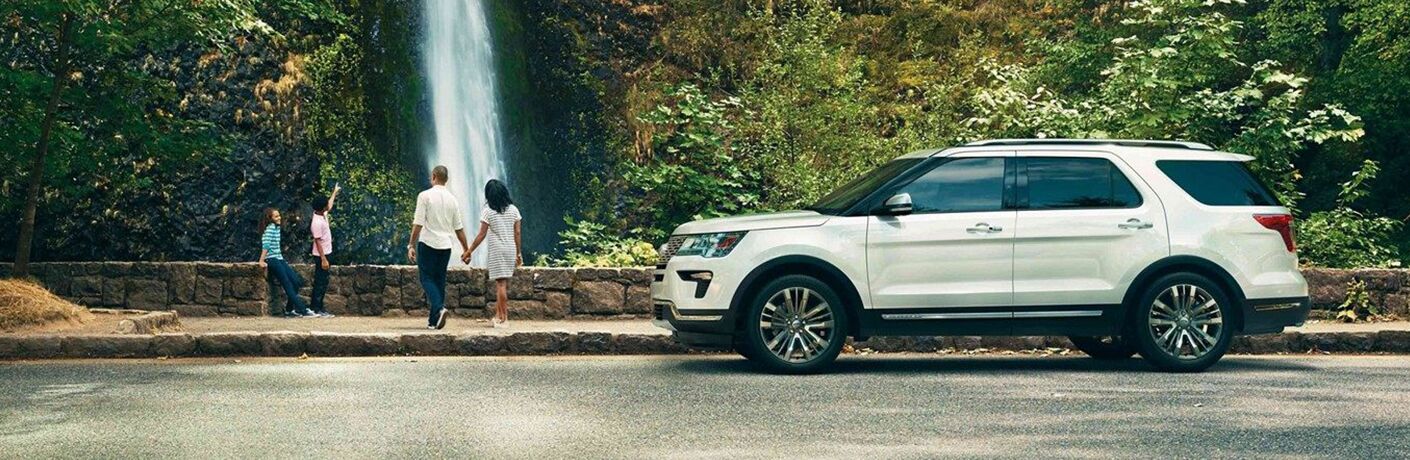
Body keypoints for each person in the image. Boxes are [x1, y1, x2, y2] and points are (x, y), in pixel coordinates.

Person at [408, 165, 470, 330]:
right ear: (447, 180)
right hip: (446, 246)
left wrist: (411, 245)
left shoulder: (424, 196)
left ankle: (440, 308)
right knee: (440, 280)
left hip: (428, 243)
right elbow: (459, 228)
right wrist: (466, 249)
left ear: (433, 176)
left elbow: (418, 223)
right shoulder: (453, 199)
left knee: (426, 278)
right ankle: (433, 321)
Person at [464, 179, 522, 328]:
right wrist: (518, 253)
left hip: (497, 250)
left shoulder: (488, 211)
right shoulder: (514, 210)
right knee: (502, 284)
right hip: (510, 248)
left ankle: (504, 318)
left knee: (500, 284)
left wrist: (469, 250)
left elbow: (481, 234)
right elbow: (517, 232)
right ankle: (498, 315)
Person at [258, 208, 315, 318]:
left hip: (279, 258)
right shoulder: (270, 229)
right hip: (272, 260)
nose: (279, 217)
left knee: (295, 281)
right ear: (269, 219)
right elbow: (266, 245)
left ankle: (289, 310)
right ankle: (303, 310)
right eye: (276, 216)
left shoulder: (276, 227)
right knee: (287, 283)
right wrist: (261, 260)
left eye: (279, 215)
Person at [308, 184, 341, 318]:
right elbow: (318, 241)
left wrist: (334, 192)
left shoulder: (321, 214)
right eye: (326, 203)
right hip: (321, 255)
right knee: (320, 282)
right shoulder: (317, 222)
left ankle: (318, 307)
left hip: (327, 252)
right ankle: (316, 308)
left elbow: (330, 206)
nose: (328, 204)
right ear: (322, 208)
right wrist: (323, 259)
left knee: (323, 281)